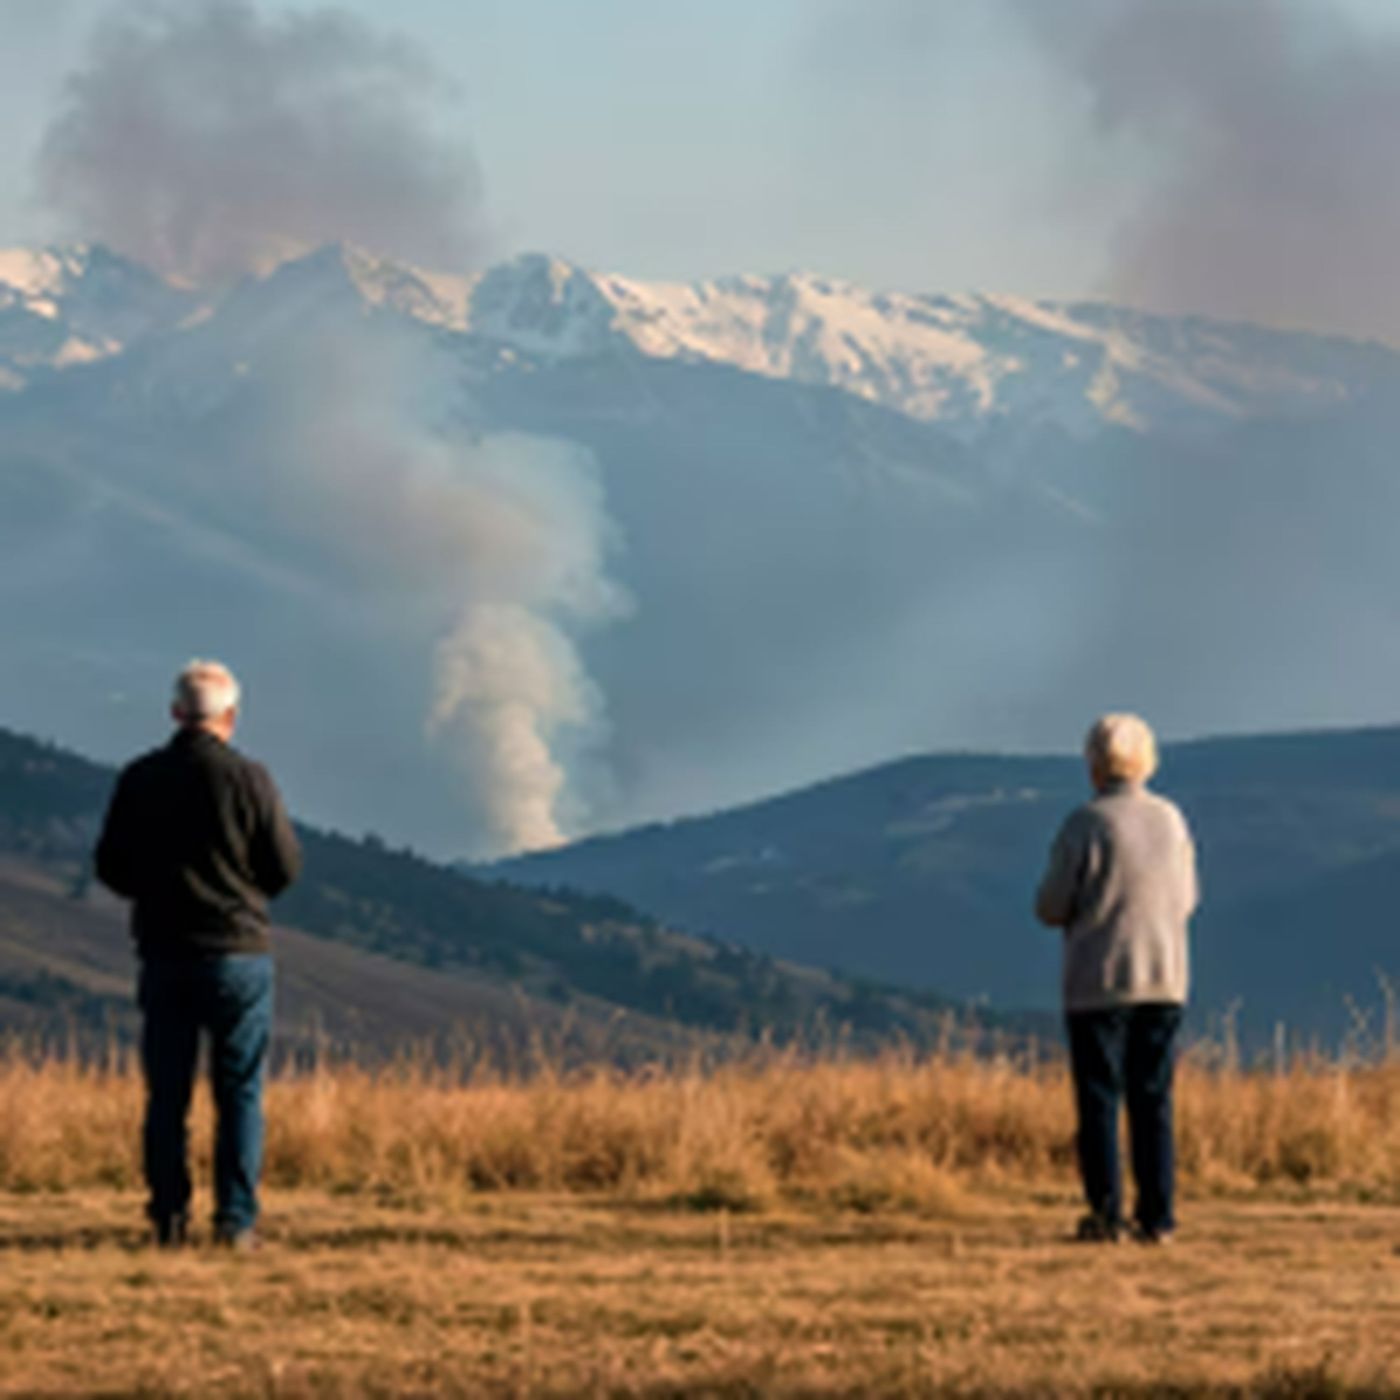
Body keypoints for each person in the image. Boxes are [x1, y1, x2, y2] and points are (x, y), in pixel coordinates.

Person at [95, 660, 301, 1248]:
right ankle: (236, 1222)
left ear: (174, 713)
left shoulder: (139, 778)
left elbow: (111, 865)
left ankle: (168, 1217)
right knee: (239, 1090)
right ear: (230, 717)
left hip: (164, 949)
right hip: (239, 951)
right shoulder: (252, 780)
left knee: (168, 1092)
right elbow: (284, 866)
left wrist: (156, 894)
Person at [1035, 713, 1198, 1245]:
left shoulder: (1086, 824)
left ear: (1093, 765)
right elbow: (1188, 898)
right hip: (1164, 976)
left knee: (1099, 1099)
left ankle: (1106, 1214)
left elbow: (1052, 905)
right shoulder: (1172, 820)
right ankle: (1159, 1216)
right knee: (1154, 1099)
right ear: (1147, 760)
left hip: (1099, 980)